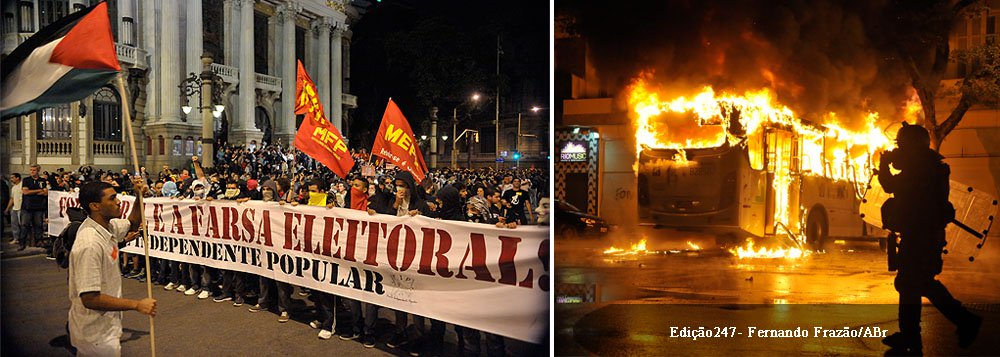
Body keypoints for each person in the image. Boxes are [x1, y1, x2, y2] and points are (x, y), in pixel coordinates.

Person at [878, 122, 981, 354]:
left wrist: (884, 165)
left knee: (913, 283)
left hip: (920, 236)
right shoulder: (928, 166)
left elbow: (889, 185)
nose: (899, 150)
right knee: (914, 284)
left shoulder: (920, 169)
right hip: (923, 234)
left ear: (912, 146)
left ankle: (963, 321)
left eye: (902, 145)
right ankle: (911, 333)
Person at [68, 179, 156, 355]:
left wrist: (139, 197)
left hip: (106, 329)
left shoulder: (109, 226)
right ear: (95, 206)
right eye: (112, 198)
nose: (119, 201)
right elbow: (90, 298)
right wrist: (137, 305)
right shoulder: (89, 244)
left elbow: (132, 222)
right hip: (95, 336)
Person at [21, 165, 48, 251]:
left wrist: (32, 192)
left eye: (34, 170)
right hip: (27, 207)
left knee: (39, 225)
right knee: (25, 225)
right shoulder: (26, 180)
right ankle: (22, 243)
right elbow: (25, 192)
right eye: (31, 170)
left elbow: (45, 193)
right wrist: (38, 190)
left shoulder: (42, 180)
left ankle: (39, 241)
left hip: (39, 207)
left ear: (38, 171)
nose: (32, 171)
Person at [6, 173, 23, 247]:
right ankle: (16, 238)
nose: (11, 179)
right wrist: (7, 208)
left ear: (17, 178)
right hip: (14, 208)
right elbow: (12, 199)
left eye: (13, 177)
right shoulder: (13, 188)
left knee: (22, 225)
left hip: (21, 208)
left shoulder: (22, 185)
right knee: (14, 225)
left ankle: (23, 239)